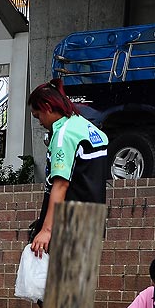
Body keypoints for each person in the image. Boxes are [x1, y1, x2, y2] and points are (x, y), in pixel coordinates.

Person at [28, 78, 109, 257]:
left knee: (62, 285)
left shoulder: (63, 134)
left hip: (70, 224)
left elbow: (61, 185)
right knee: (78, 284)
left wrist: (46, 230)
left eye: (37, 115)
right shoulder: (86, 127)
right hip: (91, 221)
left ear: (48, 107)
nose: (40, 122)